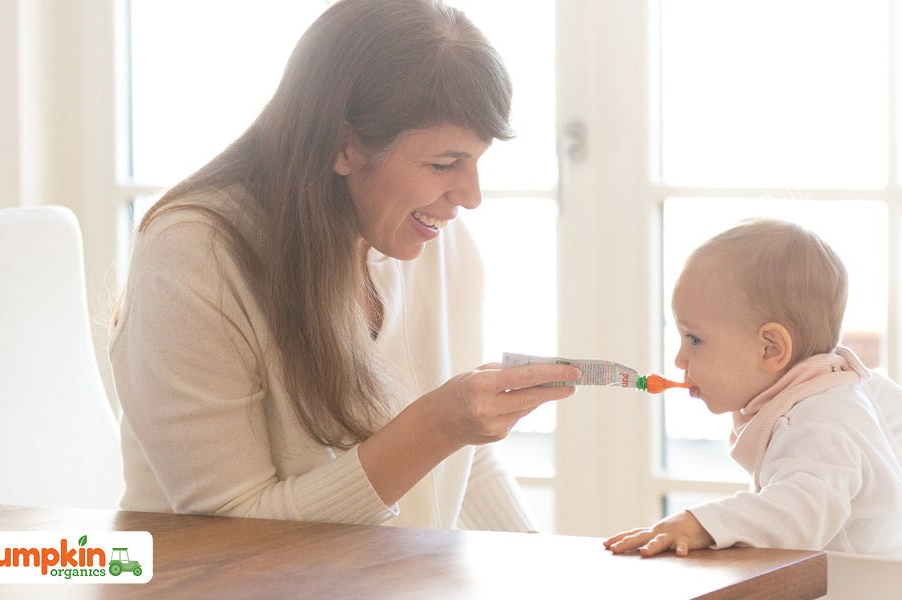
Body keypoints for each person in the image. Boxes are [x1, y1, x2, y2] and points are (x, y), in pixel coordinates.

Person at [109, 0, 580, 532]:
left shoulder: (433, 239)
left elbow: (460, 465)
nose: (470, 196)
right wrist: (435, 427)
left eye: (476, 161)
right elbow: (231, 535)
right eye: (445, 164)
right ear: (345, 145)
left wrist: (548, 569)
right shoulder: (194, 256)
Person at [603, 218, 902, 559]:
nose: (680, 359)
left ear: (771, 348)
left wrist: (701, 525)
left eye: (695, 339)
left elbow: (798, 514)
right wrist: (878, 485)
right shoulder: (843, 386)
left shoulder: (820, 418)